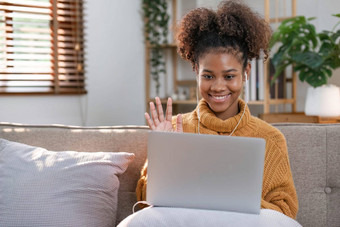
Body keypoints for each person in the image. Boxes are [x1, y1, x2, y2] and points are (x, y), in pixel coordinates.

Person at [129, 0, 299, 225]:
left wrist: (234, 201)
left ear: (246, 72)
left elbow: (284, 211)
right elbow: (145, 201)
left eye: (229, 76)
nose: (218, 87)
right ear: (196, 70)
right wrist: (165, 151)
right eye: (208, 76)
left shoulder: (271, 139)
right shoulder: (175, 129)